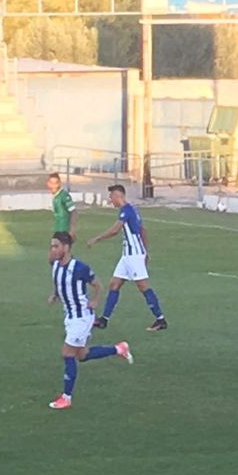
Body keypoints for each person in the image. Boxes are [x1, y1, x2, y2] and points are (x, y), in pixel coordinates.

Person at [46, 232, 134, 410]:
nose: (53, 250)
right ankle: (119, 349)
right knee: (82, 355)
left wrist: (95, 300)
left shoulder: (80, 268)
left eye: (56, 246)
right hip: (70, 316)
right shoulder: (55, 264)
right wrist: (55, 294)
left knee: (67, 353)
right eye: (52, 246)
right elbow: (58, 281)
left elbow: (97, 285)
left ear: (66, 247)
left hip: (82, 317)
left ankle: (66, 397)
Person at [87, 184, 167, 332]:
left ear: (118, 196)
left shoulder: (126, 210)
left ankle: (160, 320)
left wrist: (96, 239)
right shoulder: (133, 209)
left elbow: (115, 230)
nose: (110, 200)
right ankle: (104, 320)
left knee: (143, 286)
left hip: (134, 255)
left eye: (111, 197)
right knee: (114, 285)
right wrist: (146, 251)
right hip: (127, 255)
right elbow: (142, 230)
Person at [48, 172, 77, 237]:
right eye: (51, 183)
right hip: (58, 231)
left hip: (65, 232)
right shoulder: (56, 197)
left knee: (55, 243)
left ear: (59, 184)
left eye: (55, 183)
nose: (53, 185)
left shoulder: (64, 195)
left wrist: (72, 230)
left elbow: (73, 212)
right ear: (48, 184)